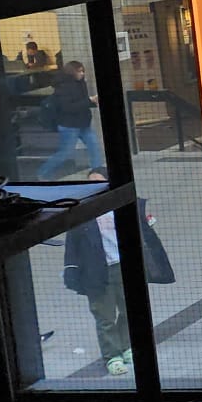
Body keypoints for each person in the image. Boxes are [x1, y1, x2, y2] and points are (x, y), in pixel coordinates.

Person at [61, 168, 174, 378]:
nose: (93, 188)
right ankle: (112, 356)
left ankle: (127, 347)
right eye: (90, 184)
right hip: (97, 272)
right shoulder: (82, 213)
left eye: (98, 182)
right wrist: (72, 273)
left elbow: (145, 237)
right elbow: (72, 247)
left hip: (125, 266)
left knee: (128, 311)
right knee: (104, 316)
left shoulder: (125, 207)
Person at [36, 61, 101, 179]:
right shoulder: (63, 87)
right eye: (79, 71)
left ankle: (98, 172)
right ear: (72, 72)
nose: (82, 74)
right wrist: (89, 101)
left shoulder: (80, 83)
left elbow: (81, 102)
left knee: (94, 146)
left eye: (83, 71)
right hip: (69, 125)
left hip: (82, 123)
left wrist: (91, 102)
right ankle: (43, 172)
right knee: (65, 153)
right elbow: (68, 107)